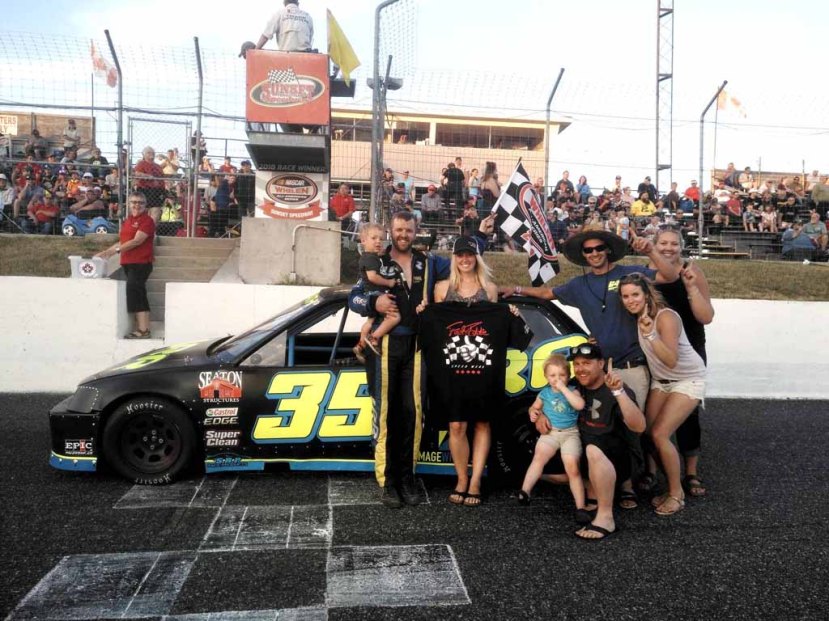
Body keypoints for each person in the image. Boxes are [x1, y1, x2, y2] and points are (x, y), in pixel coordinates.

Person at [501, 229, 680, 506]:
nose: (594, 253)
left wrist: (651, 251)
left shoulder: (628, 274)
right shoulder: (579, 285)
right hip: (600, 368)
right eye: (588, 250)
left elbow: (669, 276)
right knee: (600, 428)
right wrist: (514, 290)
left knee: (631, 428)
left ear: (607, 250)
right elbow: (546, 293)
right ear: (583, 255)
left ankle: (628, 486)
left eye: (598, 248)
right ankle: (606, 482)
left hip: (632, 366)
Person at [348, 211, 494, 508]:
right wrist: (373, 303)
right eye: (399, 229)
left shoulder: (428, 261)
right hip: (384, 346)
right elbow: (354, 297)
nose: (403, 234)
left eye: (409, 230)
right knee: (386, 415)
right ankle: (387, 481)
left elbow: (462, 258)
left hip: (417, 347)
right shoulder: (375, 259)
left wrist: (480, 235)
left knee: (412, 414)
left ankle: (407, 477)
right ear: (390, 231)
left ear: (416, 232)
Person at [618, 273, 706, 516]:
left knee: (660, 434)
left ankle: (676, 494)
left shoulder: (665, 317)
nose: (630, 300)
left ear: (647, 294)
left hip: (687, 379)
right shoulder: (638, 317)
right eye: (625, 296)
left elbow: (670, 359)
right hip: (662, 381)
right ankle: (670, 485)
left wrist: (650, 335)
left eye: (635, 294)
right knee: (646, 433)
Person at [431, 236, 500, 507]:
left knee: (482, 422)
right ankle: (461, 478)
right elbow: (436, 327)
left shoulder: (489, 289)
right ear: (454, 258)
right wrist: (426, 311)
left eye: (470, 254)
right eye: (460, 254)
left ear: (477, 257)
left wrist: (510, 312)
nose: (465, 259)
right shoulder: (442, 288)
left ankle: (476, 481)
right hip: (451, 368)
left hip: (483, 366)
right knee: (456, 425)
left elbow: (495, 326)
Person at [648, 228, 715, 498]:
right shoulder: (645, 275)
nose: (668, 248)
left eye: (674, 243)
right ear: (654, 245)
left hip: (691, 349)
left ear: (681, 246)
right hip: (656, 348)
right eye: (663, 243)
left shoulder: (691, 271)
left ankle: (691, 472)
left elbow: (706, 316)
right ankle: (651, 469)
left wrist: (690, 288)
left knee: (688, 412)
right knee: (650, 410)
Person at [565, 344, 646, 540]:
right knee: (546, 465)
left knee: (593, 449)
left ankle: (605, 517)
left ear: (601, 364)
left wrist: (619, 392)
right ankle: (594, 488)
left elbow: (639, 426)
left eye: (586, 363)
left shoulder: (615, 388)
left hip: (619, 460)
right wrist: (541, 415)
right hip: (587, 455)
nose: (580, 369)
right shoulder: (575, 385)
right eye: (576, 364)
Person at [517, 354, 588, 522]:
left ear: (568, 376)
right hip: (551, 433)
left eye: (562, 375)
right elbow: (534, 407)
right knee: (539, 457)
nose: (557, 379)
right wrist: (533, 413)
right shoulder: (545, 393)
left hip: (570, 434)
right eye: (553, 375)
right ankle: (525, 491)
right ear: (546, 377)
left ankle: (580, 507)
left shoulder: (572, 391)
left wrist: (563, 388)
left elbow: (579, 405)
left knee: (572, 468)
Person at [96, 192, 156, 339]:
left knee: (137, 293)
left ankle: (143, 330)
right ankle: (143, 328)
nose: (137, 205)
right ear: (129, 204)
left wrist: (115, 251)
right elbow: (122, 242)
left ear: (145, 205)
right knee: (137, 293)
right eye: (134, 202)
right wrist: (106, 252)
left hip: (141, 263)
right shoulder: (128, 221)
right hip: (128, 263)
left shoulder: (147, 221)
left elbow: (137, 241)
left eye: (140, 202)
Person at [353, 223, 401, 361]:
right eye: (374, 238)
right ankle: (374, 338)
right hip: (376, 294)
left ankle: (360, 345)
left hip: (371, 295)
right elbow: (373, 277)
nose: (378, 242)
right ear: (363, 241)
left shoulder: (370, 257)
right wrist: (389, 282)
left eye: (381, 239)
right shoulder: (370, 258)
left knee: (370, 321)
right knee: (394, 317)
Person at [133, 146, 166, 222]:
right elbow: (136, 173)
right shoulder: (141, 163)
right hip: (145, 190)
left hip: (157, 191)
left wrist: (163, 190)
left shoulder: (158, 166)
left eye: (153, 153)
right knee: (144, 211)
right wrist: (147, 176)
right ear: (144, 155)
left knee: (156, 211)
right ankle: (143, 227)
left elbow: (162, 179)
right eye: (149, 152)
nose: (152, 154)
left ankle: (151, 228)